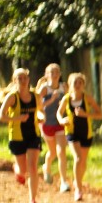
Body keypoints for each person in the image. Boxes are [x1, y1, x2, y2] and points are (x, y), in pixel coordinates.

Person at [0, 68, 43, 203]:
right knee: (23, 170)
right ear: (14, 81)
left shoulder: (36, 97)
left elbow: (40, 112)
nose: (23, 81)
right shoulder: (12, 97)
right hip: (17, 136)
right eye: (19, 78)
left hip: (33, 135)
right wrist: (17, 118)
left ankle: (33, 200)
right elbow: (1, 116)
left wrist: (42, 118)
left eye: (25, 78)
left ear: (29, 80)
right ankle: (17, 170)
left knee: (33, 168)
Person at [57, 72, 102, 202]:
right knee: (78, 158)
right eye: (75, 82)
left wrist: (85, 114)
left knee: (83, 162)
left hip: (86, 133)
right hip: (72, 133)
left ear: (84, 85)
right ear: (70, 84)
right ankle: (78, 188)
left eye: (80, 82)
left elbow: (100, 114)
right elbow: (58, 114)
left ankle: (78, 180)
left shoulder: (87, 98)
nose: (77, 85)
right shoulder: (66, 99)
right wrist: (62, 120)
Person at [35, 63, 70, 193]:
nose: (55, 75)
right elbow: (37, 105)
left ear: (60, 74)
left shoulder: (64, 87)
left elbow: (69, 101)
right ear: (46, 75)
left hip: (60, 123)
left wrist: (63, 104)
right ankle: (47, 167)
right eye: (52, 72)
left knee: (61, 152)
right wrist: (51, 100)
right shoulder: (44, 89)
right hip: (47, 123)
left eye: (57, 72)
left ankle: (64, 182)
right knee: (53, 153)